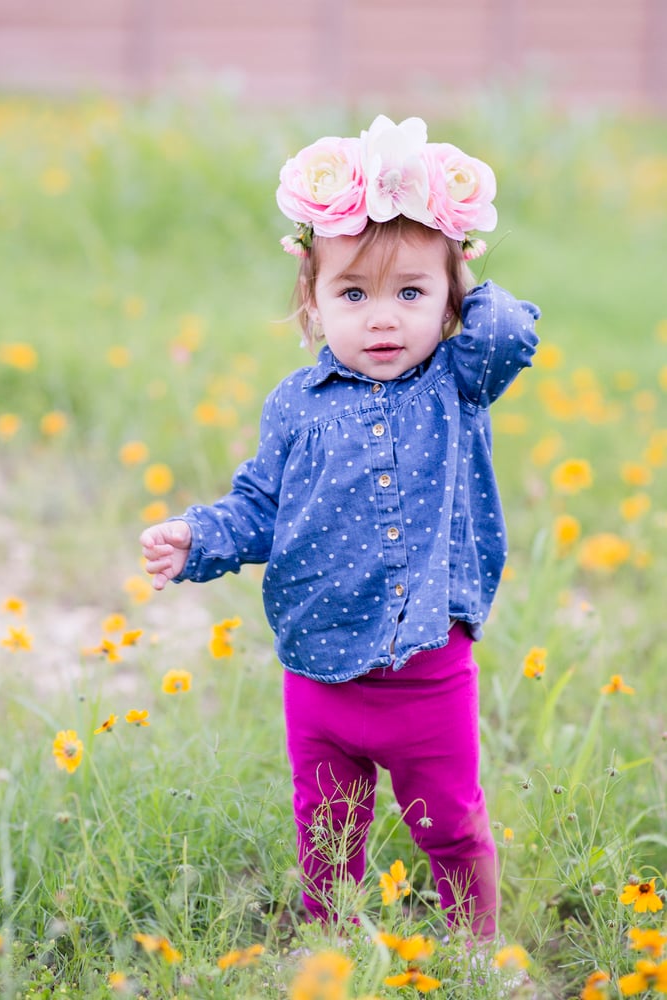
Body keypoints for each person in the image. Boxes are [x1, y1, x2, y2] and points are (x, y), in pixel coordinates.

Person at [140, 115, 540, 939]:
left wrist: (451, 240)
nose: (382, 318)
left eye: (411, 293)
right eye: (353, 294)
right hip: (318, 669)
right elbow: (259, 505)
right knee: (326, 832)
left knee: (449, 825)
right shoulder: (296, 405)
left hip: (426, 662)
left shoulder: (458, 380)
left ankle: (470, 950)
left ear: (450, 299)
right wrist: (198, 539)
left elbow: (508, 329)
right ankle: (330, 950)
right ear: (313, 302)